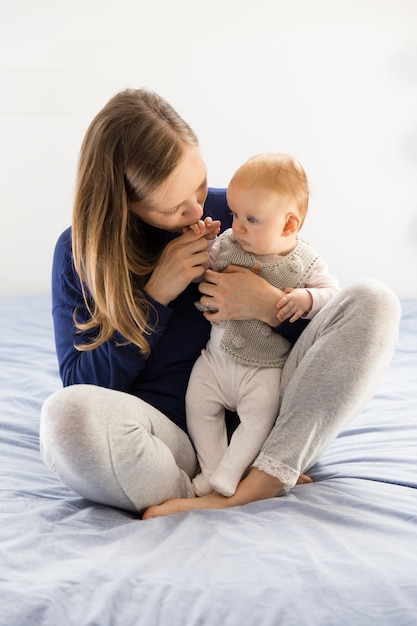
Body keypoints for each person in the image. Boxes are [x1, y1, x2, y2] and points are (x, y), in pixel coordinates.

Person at [39, 88, 401, 520]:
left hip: (267, 424)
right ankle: (202, 489)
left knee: (373, 301)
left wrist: (269, 305)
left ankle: (262, 478)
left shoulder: (238, 212)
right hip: (169, 444)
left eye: (199, 186)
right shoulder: (80, 253)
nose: (197, 212)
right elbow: (83, 385)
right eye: (173, 209)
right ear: (126, 205)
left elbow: (330, 350)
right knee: (67, 419)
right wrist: (154, 297)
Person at [184, 152, 339, 500]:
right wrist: (204, 242)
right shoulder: (227, 243)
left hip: (264, 368)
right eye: (235, 214)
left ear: (288, 225)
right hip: (215, 360)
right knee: (197, 404)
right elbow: (199, 268)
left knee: (260, 417)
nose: (237, 225)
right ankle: (211, 468)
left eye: (251, 219)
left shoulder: (307, 263)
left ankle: (231, 473)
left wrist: (307, 300)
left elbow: (335, 297)